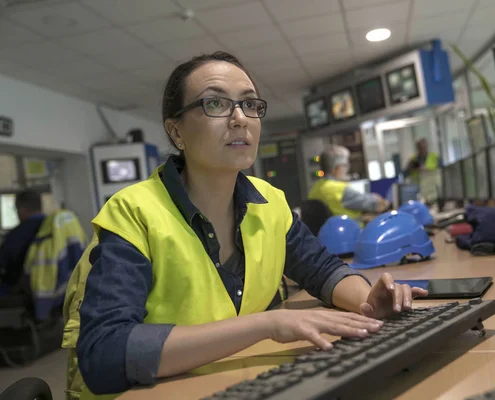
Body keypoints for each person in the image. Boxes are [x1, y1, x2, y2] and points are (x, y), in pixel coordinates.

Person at [69, 51, 427, 398]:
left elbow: (322, 270)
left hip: (239, 384)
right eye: (216, 104)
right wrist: (267, 324)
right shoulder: (134, 211)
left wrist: (368, 302)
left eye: (250, 104)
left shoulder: (269, 201)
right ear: (176, 132)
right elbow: (104, 356)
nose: (240, 118)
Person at [308, 145, 390, 220]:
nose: (347, 169)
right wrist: (386, 203)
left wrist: (361, 218)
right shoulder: (339, 189)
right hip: (352, 233)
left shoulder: (315, 188)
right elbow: (376, 204)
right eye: (346, 165)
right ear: (337, 168)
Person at [0, 190, 45, 296]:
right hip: (55, 292)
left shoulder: (15, 236)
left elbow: (3, 264)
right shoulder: (55, 229)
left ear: (22, 210)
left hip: (21, 294)